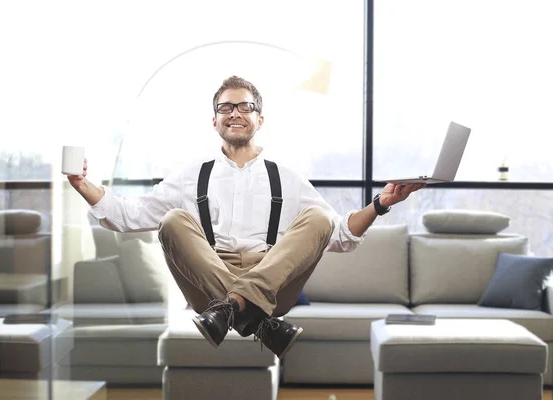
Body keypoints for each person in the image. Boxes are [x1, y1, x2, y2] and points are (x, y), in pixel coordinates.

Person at [67, 75, 424, 360]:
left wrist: (381, 203)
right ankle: (259, 322)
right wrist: (82, 184)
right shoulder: (191, 175)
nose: (235, 113)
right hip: (207, 283)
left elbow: (340, 236)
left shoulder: (286, 176)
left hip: (272, 282)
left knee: (319, 217)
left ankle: (234, 309)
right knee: (173, 220)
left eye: (245, 106)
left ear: (259, 118)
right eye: (226, 107)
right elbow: (127, 216)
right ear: (214, 120)